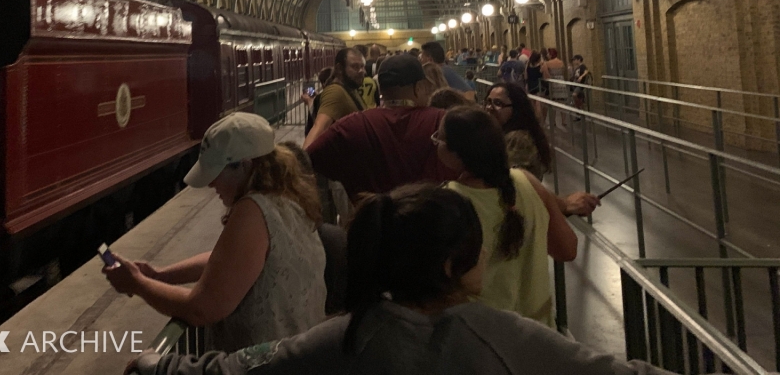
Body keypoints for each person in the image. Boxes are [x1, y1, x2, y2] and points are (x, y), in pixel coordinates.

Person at [129, 184, 670, 375]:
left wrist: (152, 366)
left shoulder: (339, 339)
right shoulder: (505, 339)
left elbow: (236, 368)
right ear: (452, 266)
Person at [103, 113, 326, 352]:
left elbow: (201, 308)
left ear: (244, 165)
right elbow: (230, 260)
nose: (211, 184)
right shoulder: (286, 196)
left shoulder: (253, 209)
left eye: (216, 174)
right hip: (295, 355)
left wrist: (137, 284)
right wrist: (159, 275)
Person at [435, 107, 577, 326]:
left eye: (439, 139)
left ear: (455, 152)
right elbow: (567, 249)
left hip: (483, 334)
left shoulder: (449, 200)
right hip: (539, 331)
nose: (435, 142)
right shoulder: (528, 181)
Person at [306, 55, 457, 199]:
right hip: (435, 219)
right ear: (418, 87)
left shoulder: (353, 124)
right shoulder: (444, 120)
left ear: (382, 89)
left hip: (374, 221)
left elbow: (309, 157)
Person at [485, 83, 599, 217]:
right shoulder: (500, 134)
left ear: (516, 109)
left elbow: (518, 188)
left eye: (498, 103)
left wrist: (564, 204)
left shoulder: (517, 139)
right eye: (488, 102)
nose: (489, 108)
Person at [304, 48, 366, 148]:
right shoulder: (335, 92)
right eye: (355, 66)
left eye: (362, 66)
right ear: (339, 69)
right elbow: (318, 131)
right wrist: (301, 162)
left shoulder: (351, 88)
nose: (362, 71)